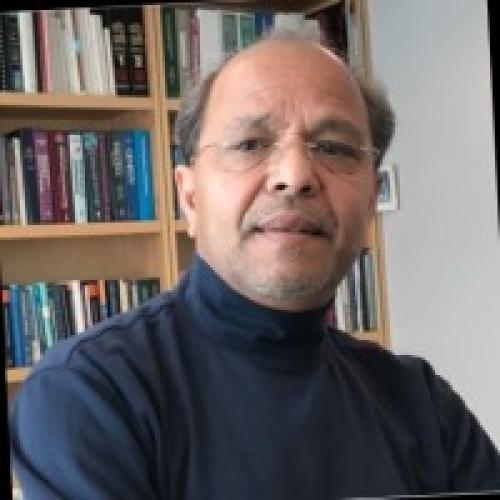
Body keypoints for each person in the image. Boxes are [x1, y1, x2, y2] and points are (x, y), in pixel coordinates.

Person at [9, 29, 500, 499]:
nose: (295, 175)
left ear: (371, 200)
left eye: (333, 148)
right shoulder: (91, 394)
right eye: (250, 144)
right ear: (190, 197)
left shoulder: (422, 406)